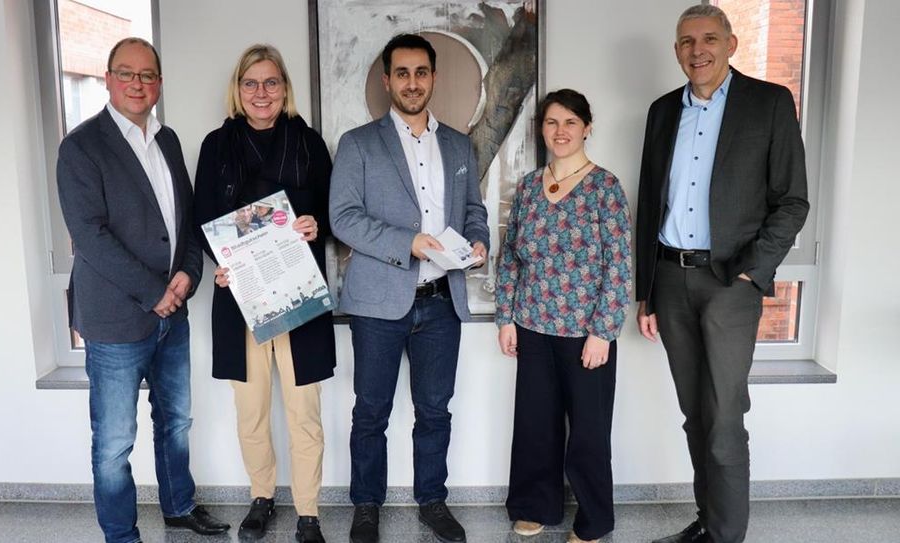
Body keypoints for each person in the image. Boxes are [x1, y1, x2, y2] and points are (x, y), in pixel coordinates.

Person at [635, 6, 809, 543]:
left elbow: (792, 202)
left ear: (731, 44)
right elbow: (650, 203)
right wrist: (646, 292)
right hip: (670, 278)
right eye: (687, 41)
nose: (698, 50)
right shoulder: (662, 110)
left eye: (709, 38)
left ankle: (726, 535)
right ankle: (709, 522)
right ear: (676, 50)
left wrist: (752, 273)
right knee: (695, 414)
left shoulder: (769, 103)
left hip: (730, 283)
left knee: (724, 417)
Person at [56, 37, 229, 543]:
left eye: (147, 75)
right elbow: (90, 236)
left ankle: (179, 507)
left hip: (172, 315)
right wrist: (156, 291)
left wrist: (189, 274)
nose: (137, 83)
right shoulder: (81, 147)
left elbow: (186, 220)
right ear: (108, 79)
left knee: (176, 421)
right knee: (114, 442)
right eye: (127, 74)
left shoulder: (167, 139)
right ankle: (121, 534)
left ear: (159, 83)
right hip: (116, 320)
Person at [329, 33, 490, 543]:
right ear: (387, 80)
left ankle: (433, 502)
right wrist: (409, 242)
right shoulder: (358, 143)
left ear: (434, 77)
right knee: (370, 412)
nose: (412, 82)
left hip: (442, 302)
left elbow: (474, 211)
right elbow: (342, 218)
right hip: (378, 303)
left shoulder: (458, 145)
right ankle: (366, 506)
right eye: (402, 73)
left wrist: (480, 241)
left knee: (435, 411)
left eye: (421, 72)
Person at [194, 44, 336, 542]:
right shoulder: (217, 145)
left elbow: (333, 211)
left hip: (299, 298)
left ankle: (308, 512)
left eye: (271, 82)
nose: (261, 92)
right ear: (238, 89)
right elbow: (202, 218)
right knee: (251, 411)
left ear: (284, 88)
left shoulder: (308, 142)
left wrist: (316, 224)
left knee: (304, 412)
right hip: (241, 299)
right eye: (251, 83)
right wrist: (222, 263)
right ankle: (262, 496)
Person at [495, 89, 632, 543]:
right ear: (542, 129)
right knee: (536, 426)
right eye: (552, 122)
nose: (560, 131)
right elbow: (511, 257)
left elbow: (619, 265)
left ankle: (593, 521)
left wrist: (603, 332)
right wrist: (506, 317)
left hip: (585, 334)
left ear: (587, 128)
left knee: (589, 433)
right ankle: (535, 506)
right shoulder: (529, 187)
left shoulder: (605, 188)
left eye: (570, 122)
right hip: (532, 327)